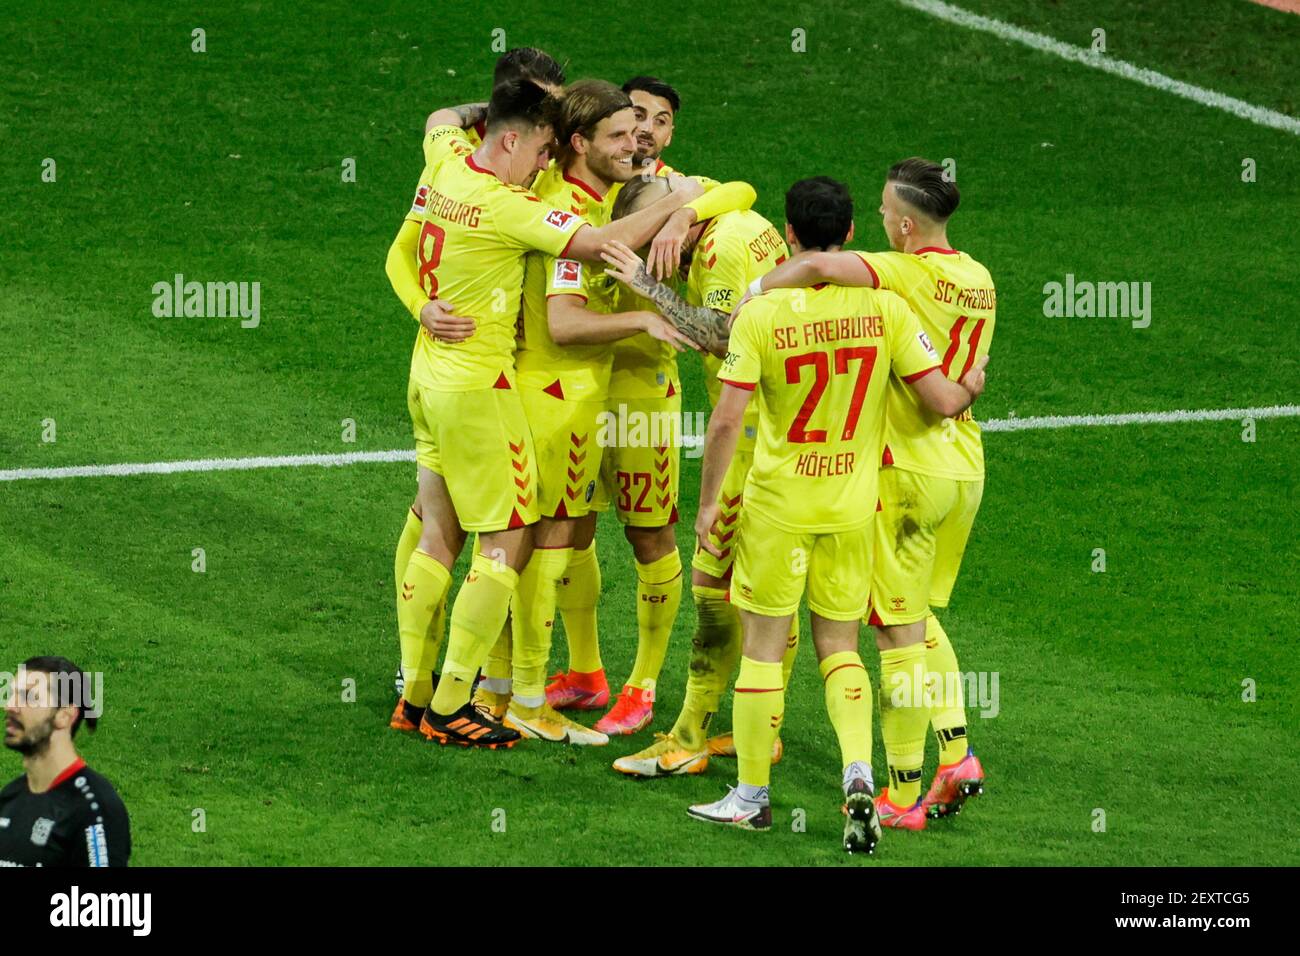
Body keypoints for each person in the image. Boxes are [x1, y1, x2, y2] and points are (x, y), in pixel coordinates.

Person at [385, 78, 704, 748]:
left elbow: (441, 114)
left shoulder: (444, 162)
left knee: (439, 531)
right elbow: (592, 245)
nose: (543, 162)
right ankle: (453, 705)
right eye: (539, 145)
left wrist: (515, 104)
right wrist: (676, 201)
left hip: (425, 374)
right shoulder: (509, 207)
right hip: (479, 387)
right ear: (508, 139)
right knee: (505, 543)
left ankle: (414, 695)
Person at [683, 177, 987, 853]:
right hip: (854, 506)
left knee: (764, 651)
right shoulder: (887, 308)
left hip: (779, 505)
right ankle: (859, 772)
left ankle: (752, 799)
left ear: (788, 237)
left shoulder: (762, 316)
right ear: (851, 234)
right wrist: (970, 386)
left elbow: (729, 416)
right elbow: (939, 398)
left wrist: (707, 504)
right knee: (842, 648)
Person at [1, 657, 130, 867]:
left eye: (29, 697)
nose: (10, 706)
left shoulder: (94, 808)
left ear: (64, 716)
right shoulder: (10, 798)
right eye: (12, 694)